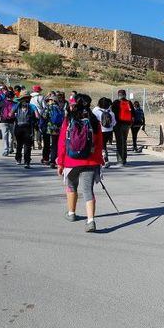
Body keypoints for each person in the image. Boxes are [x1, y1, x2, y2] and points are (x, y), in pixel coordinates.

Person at [57, 94, 104, 233]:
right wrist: (98, 161)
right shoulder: (94, 121)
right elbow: (99, 144)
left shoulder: (69, 120)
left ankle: (71, 213)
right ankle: (91, 221)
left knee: (71, 186)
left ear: (75, 105)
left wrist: (60, 162)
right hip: (90, 161)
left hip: (71, 162)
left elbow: (62, 143)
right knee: (88, 191)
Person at [13, 93, 37, 168]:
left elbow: (10, 114)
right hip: (28, 127)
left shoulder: (17, 105)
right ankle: (27, 162)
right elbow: (37, 115)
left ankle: (18, 159)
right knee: (27, 145)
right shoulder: (32, 106)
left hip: (18, 127)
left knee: (19, 144)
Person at [110, 90, 133, 166]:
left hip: (118, 125)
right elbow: (133, 113)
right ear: (125, 95)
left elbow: (111, 113)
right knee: (124, 141)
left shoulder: (115, 102)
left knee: (119, 142)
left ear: (118, 95)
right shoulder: (129, 102)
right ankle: (124, 159)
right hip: (127, 125)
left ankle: (120, 161)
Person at [93, 97, 116, 166]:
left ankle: (105, 160)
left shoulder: (95, 111)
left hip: (100, 130)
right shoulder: (111, 112)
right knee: (104, 145)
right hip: (109, 131)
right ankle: (104, 159)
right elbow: (114, 123)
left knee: (101, 146)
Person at [0, 90, 17, 156]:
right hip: (12, 121)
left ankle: (5, 150)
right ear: (13, 96)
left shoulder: (2, 103)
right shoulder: (15, 104)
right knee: (12, 135)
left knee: (5, 136)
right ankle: (11, 148)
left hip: (3, 121)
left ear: (6, 96)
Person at [30, 85, 45, 150]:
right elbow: (44, 106)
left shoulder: (30, 97)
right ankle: (39, 141)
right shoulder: (41, 97)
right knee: (38, 129)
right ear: (39, 90)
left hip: (31, 114)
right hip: (39, 114)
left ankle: (32, 144)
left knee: (32, 129)